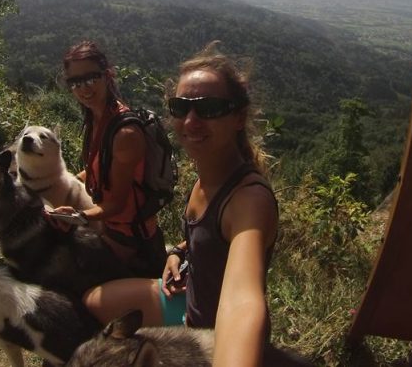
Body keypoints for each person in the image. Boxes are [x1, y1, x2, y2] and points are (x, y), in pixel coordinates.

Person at [81, 42, 288, 367]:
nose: (190, 121)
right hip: (187, 298)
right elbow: (203, 237)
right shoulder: (206, 174)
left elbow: (242, 300)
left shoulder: (249, 201)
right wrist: (179, 252)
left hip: (214, 336)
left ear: (238, 117)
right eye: (180, 107)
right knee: (94, 301)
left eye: (208, 108)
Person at [51, 40, 167, 278]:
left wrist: (79, 216)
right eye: (75, 82)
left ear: (108, 75)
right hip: (109, 228)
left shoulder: (124, 134)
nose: (83, 89)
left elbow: (116, 204)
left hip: (131, 239)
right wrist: (68, 182)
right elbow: (96, 171)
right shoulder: (96, 119)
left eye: (91, 78)